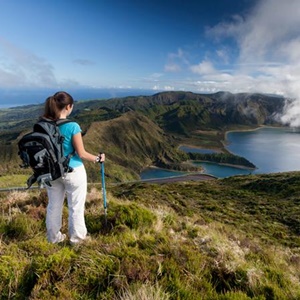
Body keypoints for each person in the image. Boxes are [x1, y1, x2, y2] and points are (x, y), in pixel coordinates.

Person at [43, 91, 105, 245]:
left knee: (53, 206)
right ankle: (77, 240)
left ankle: (53, 239)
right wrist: (98, 159)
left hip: (51, 171)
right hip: (73, 171)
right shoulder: (72, 126)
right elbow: (81, 153)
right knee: (76, 207)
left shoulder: (44, 125)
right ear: (69, 107)